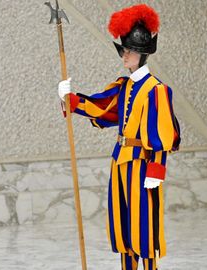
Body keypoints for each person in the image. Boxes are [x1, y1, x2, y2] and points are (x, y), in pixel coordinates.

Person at [57, 4, 180, 270]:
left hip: (143, 166)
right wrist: (71, 99)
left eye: (130, 51)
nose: (125, 55)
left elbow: (163, 135)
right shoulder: (125, 87)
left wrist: (156, 171)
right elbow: (102, 108)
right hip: (120, 163)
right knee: (124, 228)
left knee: (143, 229)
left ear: (142, 54)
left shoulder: (156, 90)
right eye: (124, 49)